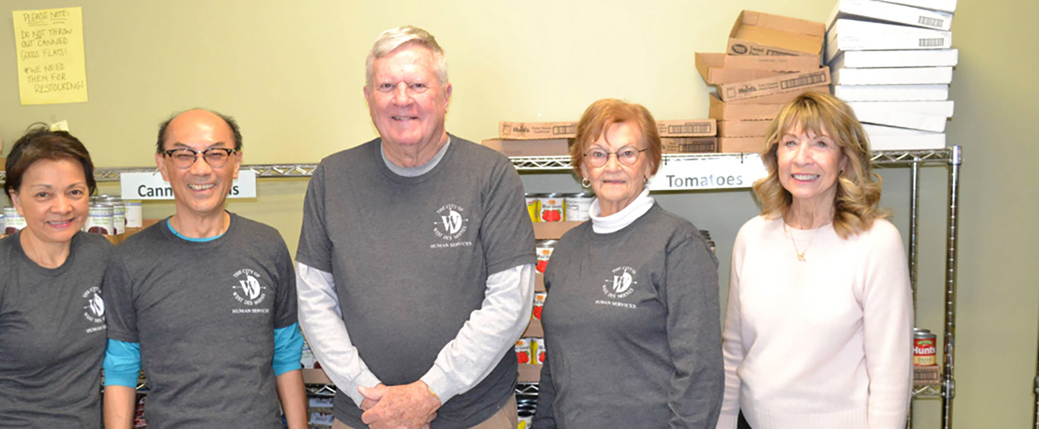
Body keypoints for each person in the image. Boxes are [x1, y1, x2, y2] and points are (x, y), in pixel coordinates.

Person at [296, 26, 536, 429]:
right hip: (364, 414)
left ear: (446, 94)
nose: (401, 99)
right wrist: (369, 394)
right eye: (387, 85)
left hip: (474, 414)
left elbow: (511, 301)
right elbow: (313, 299)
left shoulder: (491, 174)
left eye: (417, 84)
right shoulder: (332, 177)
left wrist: (430, 391)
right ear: (368, 97)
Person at [717, 92, 913, 429]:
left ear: (844, 160)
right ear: (775, 155)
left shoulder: (876, 242)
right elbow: (733, 351)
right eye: (790, 143)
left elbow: (891, 373)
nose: (801, 158)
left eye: (820, 144)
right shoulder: (751, 237)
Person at [101, 109, 307, 428]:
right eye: (183, 154)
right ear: (162, 165)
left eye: (215, 154)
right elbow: (120, 368)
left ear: (236, 163)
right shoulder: (130, 259)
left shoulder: (268, 245)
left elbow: (287, 354)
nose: (200, 169)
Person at [532, 99, 724, 428]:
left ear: (650, 163)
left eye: (627, 153)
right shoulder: (567, 249)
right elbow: (556, 366)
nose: (612, 166)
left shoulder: (678, 245)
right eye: (598, 153)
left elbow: (700, 374)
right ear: (582, 166)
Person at [0, 127, 124, 427]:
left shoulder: (100, 255)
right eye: (43, 194)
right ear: (16, 199)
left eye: (75, 192)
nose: (62, 207)